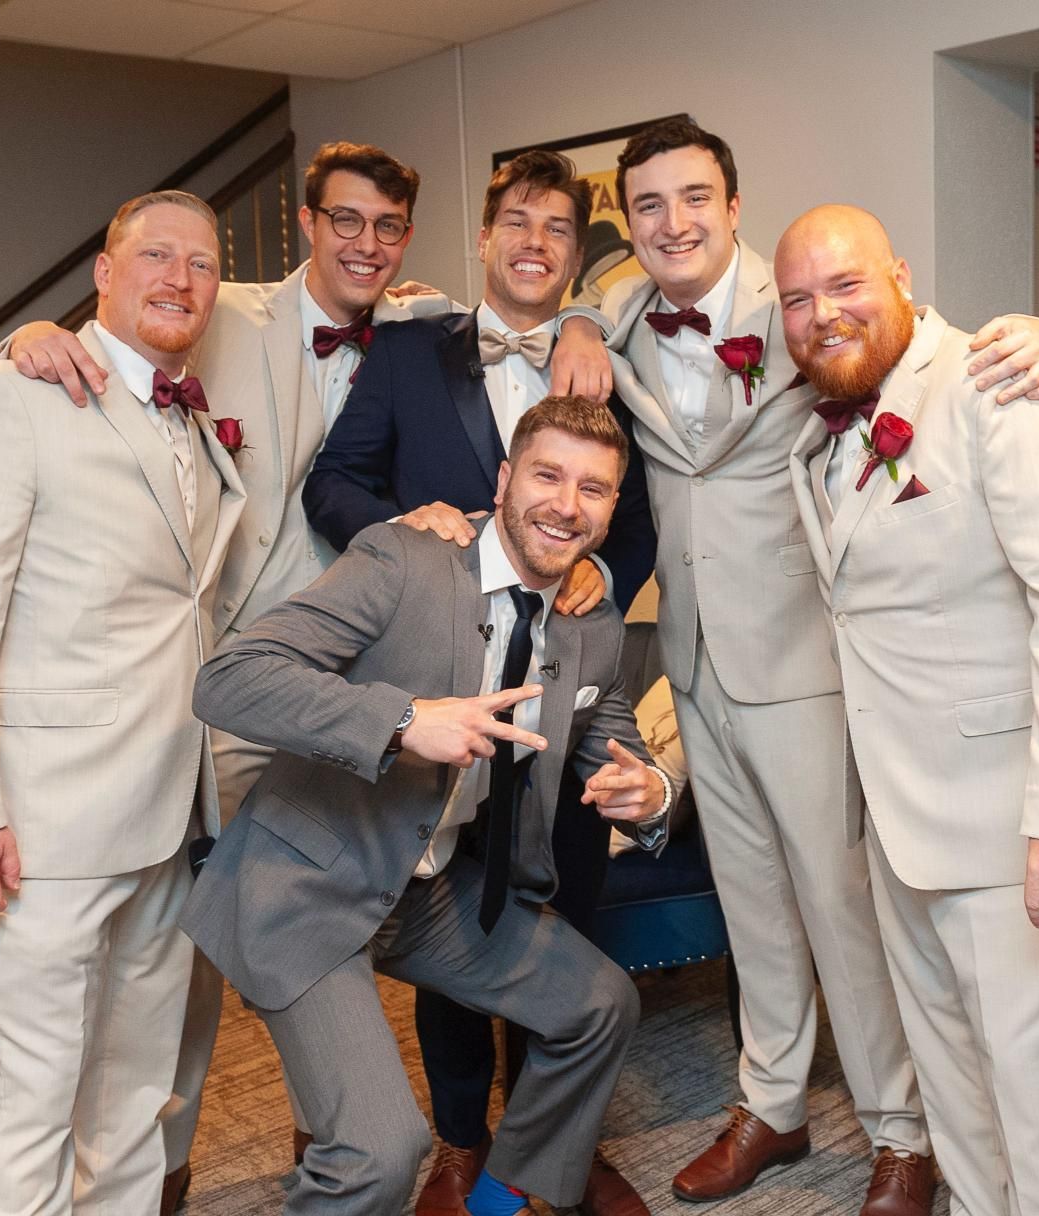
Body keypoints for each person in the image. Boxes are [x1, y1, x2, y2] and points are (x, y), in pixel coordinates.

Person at [0, 142, 612, 1211]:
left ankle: (353, 1139)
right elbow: (150, 304)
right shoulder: (223, 305)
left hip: (405, 699)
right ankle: (180, 1172)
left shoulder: (423, 323)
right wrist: (38, 336)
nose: (366, 244)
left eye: (386, 227)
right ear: (310, 222)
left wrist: (591, 321)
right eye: (346, 221)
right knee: (178, 973)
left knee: (274, 988)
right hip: (263, 661)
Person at [596, 118, 1039, 1215]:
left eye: (694, 197)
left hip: (808, 660)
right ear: (628, 222)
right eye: (649, 204)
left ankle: (901, 1133)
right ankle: (773, 1102)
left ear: (732, 204)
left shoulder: (804, 305)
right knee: (750, 898)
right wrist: (576, 314)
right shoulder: (615, 312)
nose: (674, 222)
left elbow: (922, 346)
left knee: (839, 905)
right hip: (692, 661)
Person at [776, 204, 1039, 1216]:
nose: (821, 313)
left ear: (901, 274)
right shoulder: (816, 425)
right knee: (953, 1084)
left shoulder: (1001, 382)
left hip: (1016, 829)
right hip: (901, 826)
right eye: (795, 298)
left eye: (845, 284)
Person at [181, 395, 671, 1216]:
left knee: (600, 1003)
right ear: (507, 479)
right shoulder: (402, 559)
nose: (566, 504)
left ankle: (498, 1200)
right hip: (305, 882)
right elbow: (228, 679)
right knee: (380, 1155)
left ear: (612, 509)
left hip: (431, 893)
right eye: (548, 475)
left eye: (593, 489)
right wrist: (405, 719)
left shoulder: (591, 622)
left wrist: (649, 791)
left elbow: (624, 747)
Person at [304, 148, 656, 1216]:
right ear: (485, 233)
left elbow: (635, 520)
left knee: (569, 906)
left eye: (557, 226)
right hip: (442, 677)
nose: (534, 242)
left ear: (575, 249)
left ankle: (562, 1140)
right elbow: (334, 478)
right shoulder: (410, 348)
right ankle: (460, 1141)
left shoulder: (608, 362)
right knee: (449, 908)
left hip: (565, 671)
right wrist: (402, 530)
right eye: (516, 220)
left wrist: (603, 569)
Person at [0, 190, 245, 1214]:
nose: (179, 279)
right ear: (102, 272)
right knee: (32, 1095)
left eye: (204, 265)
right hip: (42, 824)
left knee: (135, 1091)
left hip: (168, 813)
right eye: (155, 256)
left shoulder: (194, 411)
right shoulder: (13, 396)